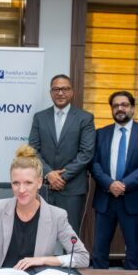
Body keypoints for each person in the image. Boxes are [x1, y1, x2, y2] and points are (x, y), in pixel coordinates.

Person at [0, 145, 89, 275]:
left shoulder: (57, 215)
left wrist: (43, 260)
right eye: (16, 183)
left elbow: (82, 257)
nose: (21, 190)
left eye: (28, 183)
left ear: (39, 182)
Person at [91, 91, 138, 270]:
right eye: (115, 106)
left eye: (124, 105)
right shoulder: (101, 134)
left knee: (134, 251)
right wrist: (109, 184)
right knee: (99, 250)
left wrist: (124, 184)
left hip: (134, 198)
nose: (120, 108)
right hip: (106, 198)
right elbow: (94, 164)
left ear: (133, 108)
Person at [29, 74, 95, 234]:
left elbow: (86, 153)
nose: (60, 93)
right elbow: (33, 150)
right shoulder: (39, 117)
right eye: (56, 89)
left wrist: (61, 177)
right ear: (51, 92)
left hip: (72, 189)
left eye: (65, 89)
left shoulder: (85, 118)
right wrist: (49, 174)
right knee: (41, 234)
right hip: (44, 187)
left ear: (72, 92)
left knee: (69, 235)